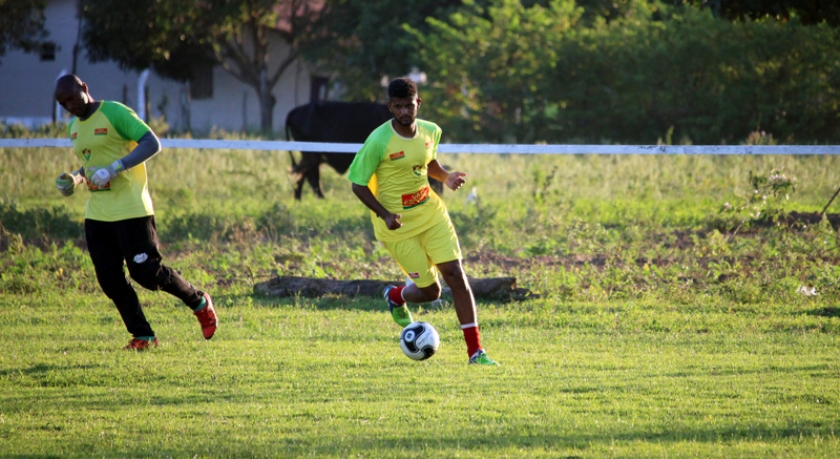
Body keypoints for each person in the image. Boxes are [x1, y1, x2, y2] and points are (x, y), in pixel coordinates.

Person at [53, 74, 217, 350]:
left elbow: (152, 143)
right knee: (109, 279)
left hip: (131, 210)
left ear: (85, 88)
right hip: (97, 215)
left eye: (72, 97)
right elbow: (91, 165)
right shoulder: (73, 128)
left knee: (147, 272)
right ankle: (144, 336)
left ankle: (198, 301)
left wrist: (116, 168)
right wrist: (75, 178)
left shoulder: (115, 112)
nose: (69, 105)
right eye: (63, 102)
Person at [347, 78, 498, 365]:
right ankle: (395, 295)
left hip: (431, 214)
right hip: (397, 227)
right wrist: (385, 214)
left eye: (410, 105)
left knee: (455, 274)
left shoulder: (432, 131)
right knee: (431, 292)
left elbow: (427, 161)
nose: (405, 111)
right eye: (399, 106)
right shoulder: (378, 141)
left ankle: (476, 352)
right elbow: (358, 185)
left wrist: (446, 177)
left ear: (419, 103)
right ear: (391, 106)